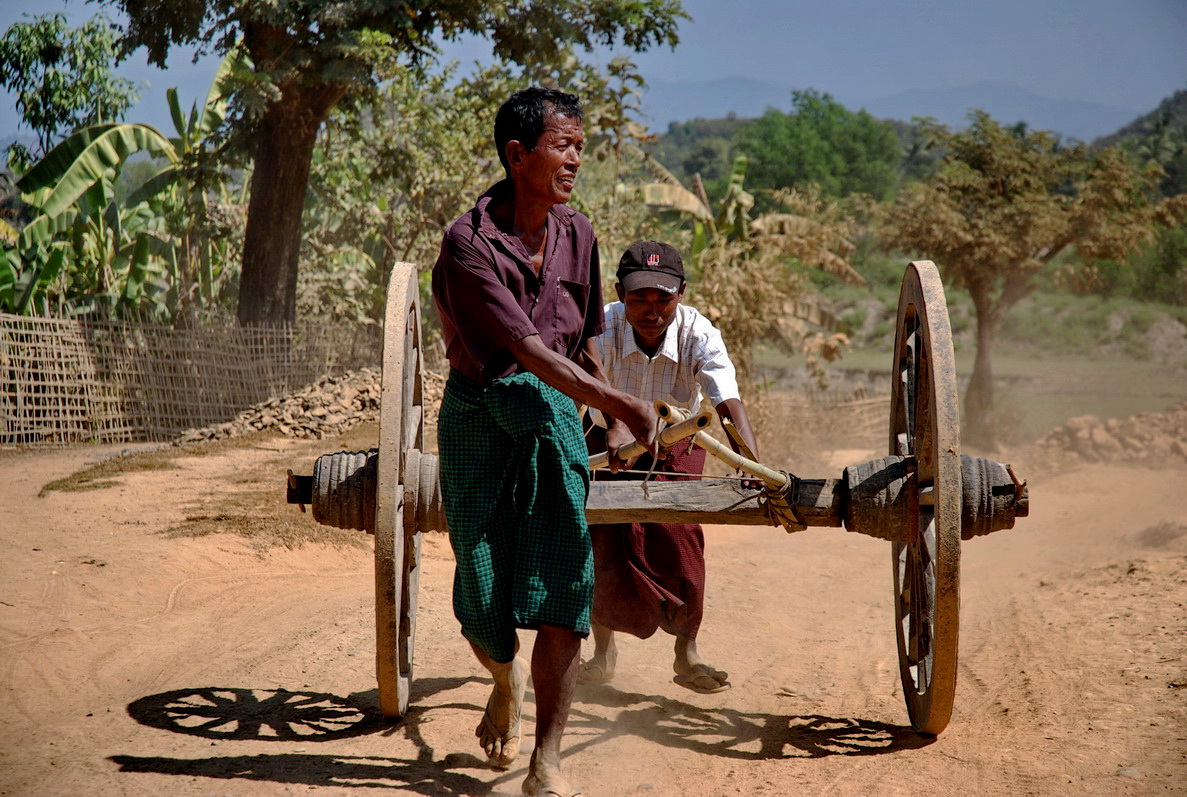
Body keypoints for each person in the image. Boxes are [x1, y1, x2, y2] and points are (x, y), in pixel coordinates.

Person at [431, 86, 658, 797]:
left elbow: (582, 342)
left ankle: (547, 762)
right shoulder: (468, 243)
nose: (575, 160)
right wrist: (622, 402)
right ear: (517, 154)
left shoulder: (579, 234)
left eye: (580, 147)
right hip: (477, 412)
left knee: (565, 584)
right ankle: (503, 679)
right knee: (481, 588)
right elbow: (528, 351)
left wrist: (609, 417)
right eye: (563, 146)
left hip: (555, 414)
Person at [580, 240, 760, 695]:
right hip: (605, 439)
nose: (651, 310)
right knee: (600, 537)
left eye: (663, 299)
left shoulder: (699, 333)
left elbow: (726, 400)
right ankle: (603, 651)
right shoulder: (599, 326)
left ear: (681, 293)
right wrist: (615, 426)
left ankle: (687, 651)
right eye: (639, 298)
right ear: (620, 294)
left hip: (676, 441)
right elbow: (585, 381)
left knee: (680, 537)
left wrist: (751, 463)